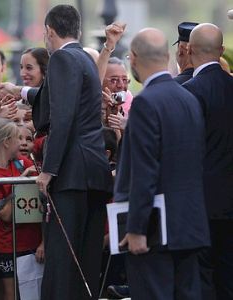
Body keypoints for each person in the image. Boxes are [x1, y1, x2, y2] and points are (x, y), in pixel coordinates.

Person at [20, 5, 113, 299]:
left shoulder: (61, 58)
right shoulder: (85, 58)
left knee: (62, 262)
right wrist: (21, 92)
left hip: (71, 174)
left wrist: (48, 171)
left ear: (49, 31)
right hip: (93, 171)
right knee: (86, 262)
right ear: (79, 30)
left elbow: (63, 117)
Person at [115, 27, 210, 300]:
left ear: (133, 58)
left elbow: (145, 171)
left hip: (156, 232)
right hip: (189, 227)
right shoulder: (188, 98)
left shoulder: (145, 103)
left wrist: (136, 229)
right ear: (168, 56)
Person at [182, 23, 233, 300]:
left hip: (200, 202)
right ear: (221, 50)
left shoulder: (190, 92)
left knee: (202, 277)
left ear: (188, 50)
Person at [0, 118, 42, 300]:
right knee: (11, 294)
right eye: (17, 138)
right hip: (8, 244)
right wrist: (20, 182)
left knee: (35, 292)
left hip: (34, 241)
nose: (22, 143)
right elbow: (5, 214)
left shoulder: (23, 164)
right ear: (6, 142)